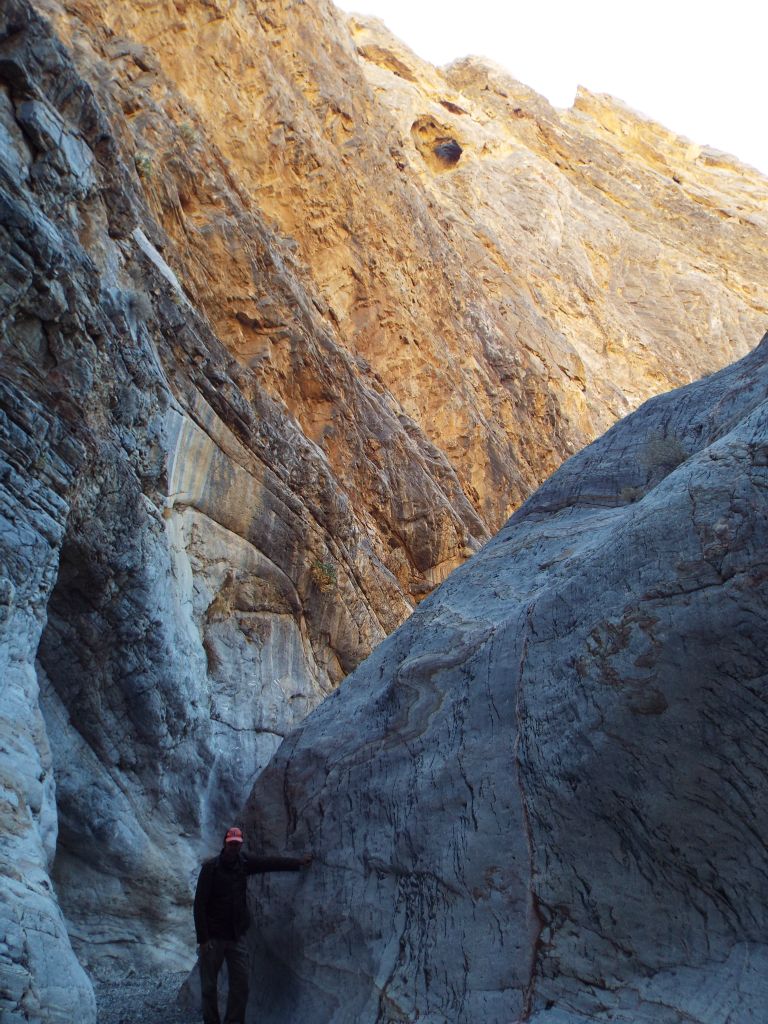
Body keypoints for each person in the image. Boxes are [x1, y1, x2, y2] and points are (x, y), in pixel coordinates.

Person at [194, 826, 311, 1024]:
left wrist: (298, 862)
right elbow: (199, 905)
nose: (234, 846)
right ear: (225, 843)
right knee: (208, 987)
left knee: (241, 985)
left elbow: (270, 863)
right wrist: (203, 939)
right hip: (213, 937)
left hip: (236, 936)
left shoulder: (244, 863)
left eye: (237, 843)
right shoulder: (210, 869)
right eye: (231, 843)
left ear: (240, 844)